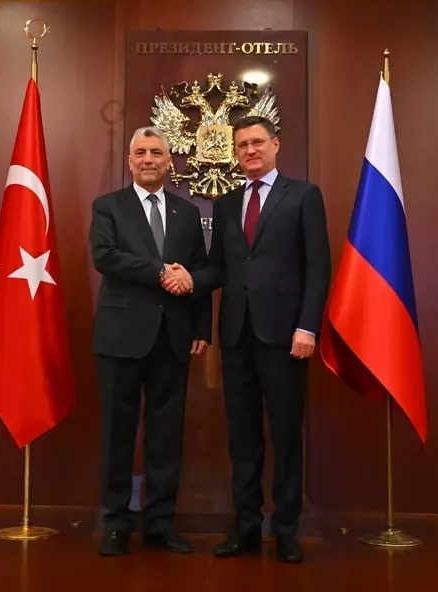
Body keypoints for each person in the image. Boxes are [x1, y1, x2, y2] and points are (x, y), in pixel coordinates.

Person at [175, 115, 331, 564]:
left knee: (285, 434)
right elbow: (219, 267)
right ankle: (245, 526)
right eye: (242, 145)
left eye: (257, 142)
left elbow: (318, 266)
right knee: (242, 437)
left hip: (286, 337)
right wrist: (190, 278)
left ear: (275, 144)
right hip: (237, 336)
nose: (250, 150)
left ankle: (285, 529)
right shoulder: (226, 204)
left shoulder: (303, 196)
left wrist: (308, 326)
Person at [88, 126, 212, 556]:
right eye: (140, 152)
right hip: (120, 338)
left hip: (173, 338)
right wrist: (160, 272)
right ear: (129, 161)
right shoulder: (108, 206)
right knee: (118, 434)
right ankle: (117, 523)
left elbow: (198, 271)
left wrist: (201, 327)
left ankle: (160, 522)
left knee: (166, 435)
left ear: (169, 161)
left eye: (156, 153)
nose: (148, 159)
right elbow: (105, 257)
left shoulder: (187, 212)